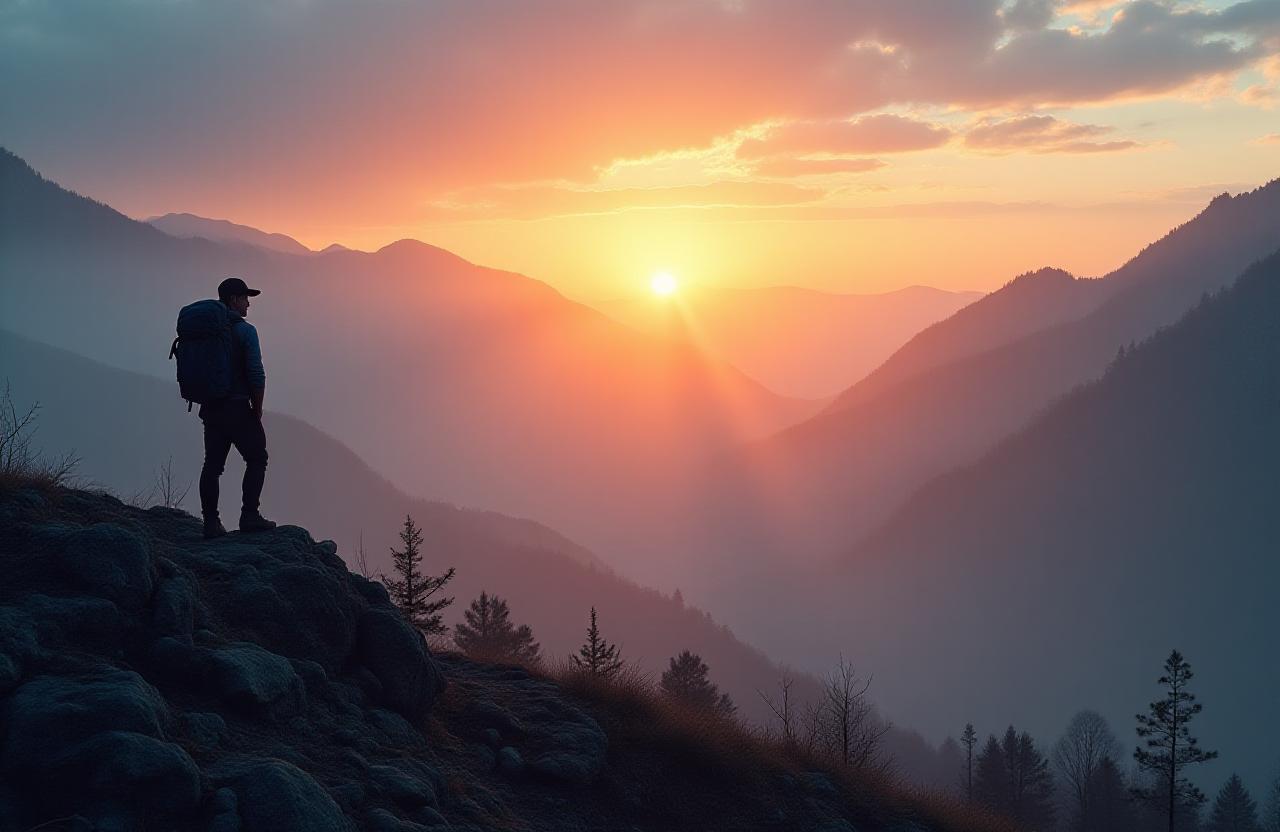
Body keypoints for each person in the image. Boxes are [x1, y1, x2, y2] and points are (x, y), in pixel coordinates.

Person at [199, 277, 276, 538]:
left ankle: (210, 522)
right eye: (245, 298)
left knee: (213, 465)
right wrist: (258, 407)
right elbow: (256, 373)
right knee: (257, 458)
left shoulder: (206, 331)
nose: (248, 305)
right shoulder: (245, 331)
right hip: (238, 407)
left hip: (211, 408)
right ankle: (250, 516)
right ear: (233, 300)